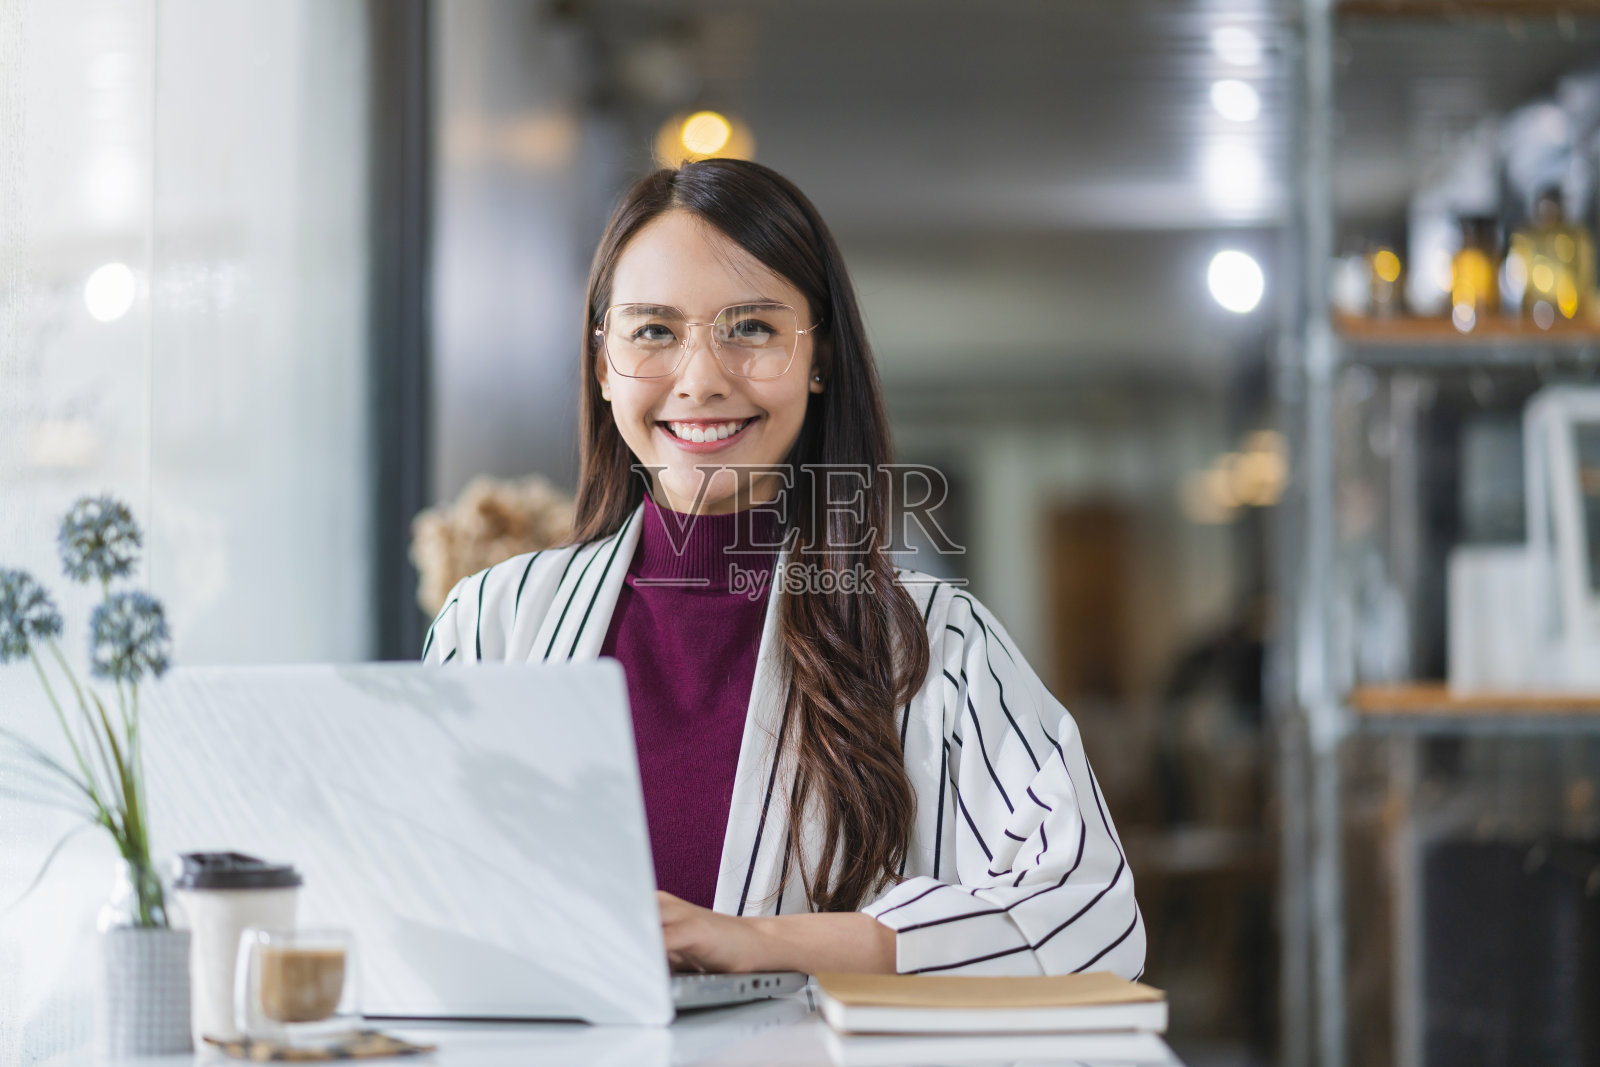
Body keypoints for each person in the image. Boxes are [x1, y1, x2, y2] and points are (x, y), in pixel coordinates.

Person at [421, 158, 1144, 980]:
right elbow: (412, 896)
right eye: (653, 330)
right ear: (601, 364)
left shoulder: (933, 639)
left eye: (753, 328)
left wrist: (767, 943)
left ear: (819, 358)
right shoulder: (493, 623)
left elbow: (1092, 915)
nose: (700, 380)